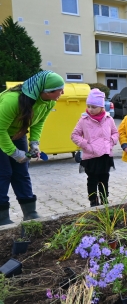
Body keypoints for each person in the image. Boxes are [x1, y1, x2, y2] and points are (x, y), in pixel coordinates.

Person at [0, 71, 65, 225]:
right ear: (45, 91)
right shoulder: (12, 101)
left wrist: (34, 142)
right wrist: (14, 153)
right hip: (1, 133)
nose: (62, 93)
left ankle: (30, 213)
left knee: (21, 173)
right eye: (59, 90)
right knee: (4, 173)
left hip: (17, 133)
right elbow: (0, 129)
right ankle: (2, 218)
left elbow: (39, 122)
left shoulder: (49, 102)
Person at [71, 88, 118, 207]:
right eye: (89, 106)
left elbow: (115, 133)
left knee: (104, 178)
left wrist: (111, 142)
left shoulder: (109, 119)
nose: (90, 109)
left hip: (105, 155)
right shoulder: (84, 120)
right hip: (91, 156)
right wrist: (86, 145)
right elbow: (74, 135)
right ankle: (93, 200)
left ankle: (104, 199)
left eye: (93, 107)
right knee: (92, 180)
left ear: (101, 107)